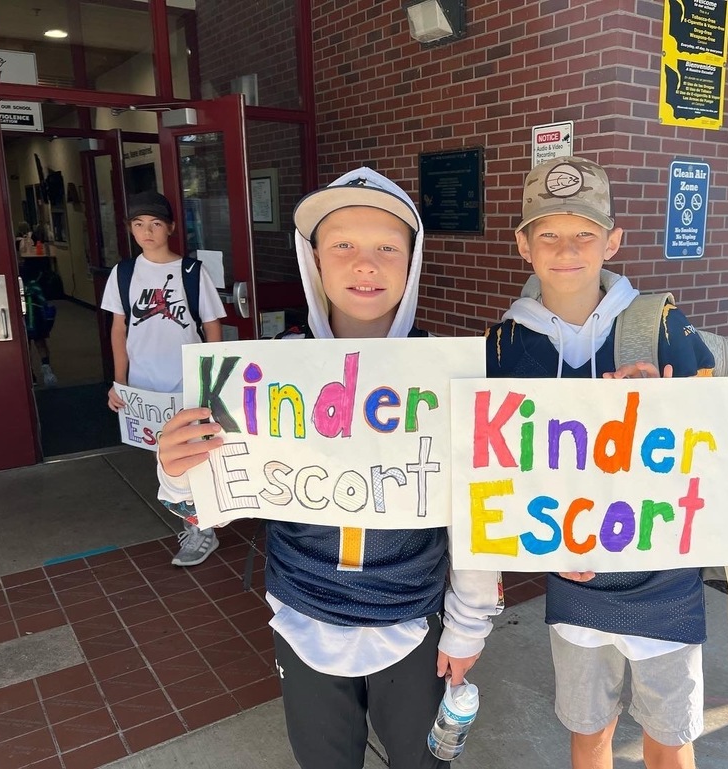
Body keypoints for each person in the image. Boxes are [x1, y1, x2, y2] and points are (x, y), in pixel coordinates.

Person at [154, 167, 503, 769]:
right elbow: (198, 501)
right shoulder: (262, 373)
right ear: (313, 259)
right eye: (342, 244)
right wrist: (177, 469)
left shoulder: (449, 373)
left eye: (386, 247)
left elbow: (474, 504)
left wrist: (468, 624)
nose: (364, 264)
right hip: (303, 616)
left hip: (413, 618)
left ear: (412, 261)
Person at [485, 157, 715, 769]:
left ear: (612, 241)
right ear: (524, 246)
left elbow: (712, 438)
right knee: (589, 731)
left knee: (670, 736)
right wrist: (524, 549)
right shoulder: (505, 343)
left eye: (585, 233)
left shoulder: (659, 321)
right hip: (574, 569)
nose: (567, 249)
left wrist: (665, 402)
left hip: (661, 567)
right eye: (549, 234)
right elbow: (502, 466)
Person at [100, 190, 226, 565]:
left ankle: (201, 529)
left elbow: (211, 326)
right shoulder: (123, 273)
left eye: (155, 223)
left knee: (195, 455)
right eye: (138, 225)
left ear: (170, 227)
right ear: (130, 230)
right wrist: (119, 382)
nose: (147, 231)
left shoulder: (190, 272)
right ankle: (197, 522)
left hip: (186, 383)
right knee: (166, 458)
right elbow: (118, 329)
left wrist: (210, 379)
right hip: (144, 387)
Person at [17, 222, 58, 386]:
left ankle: (31, 373)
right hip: (36, 303)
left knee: (27, 341)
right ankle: (45, 369)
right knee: (39, 340)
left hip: (25, 304)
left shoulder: (20, 268)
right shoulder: (40, 262)